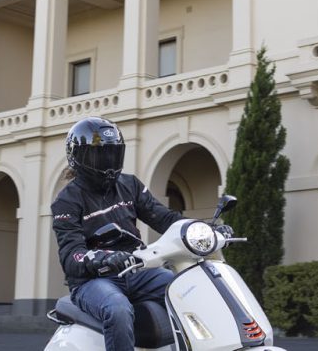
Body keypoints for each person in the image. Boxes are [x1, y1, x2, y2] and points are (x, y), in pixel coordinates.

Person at [51, 117, 209, 351]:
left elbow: (164, 218)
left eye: (112, 154)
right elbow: (71, 256)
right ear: (78, 157)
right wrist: (102, 258)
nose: (107, 163)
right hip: (92, 281)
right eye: (99, 156)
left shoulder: (129, 185)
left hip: (136, 270)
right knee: (117, 309)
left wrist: (202, 230)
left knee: (189, 288)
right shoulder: (66, 201)